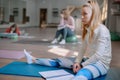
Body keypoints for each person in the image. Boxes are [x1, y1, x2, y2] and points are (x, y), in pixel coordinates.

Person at [72, 0, 112, 80]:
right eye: (81, 14)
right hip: (90, 60)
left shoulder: (102, 30)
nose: (82, 17)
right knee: (66, 62)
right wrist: (77, 62)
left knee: (82, 73)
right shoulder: (87, 30)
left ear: (93, 15)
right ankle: (39, 61)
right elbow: (83, 48)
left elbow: (98, 56)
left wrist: (82, 65)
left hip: (101, 64)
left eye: (85, 14)